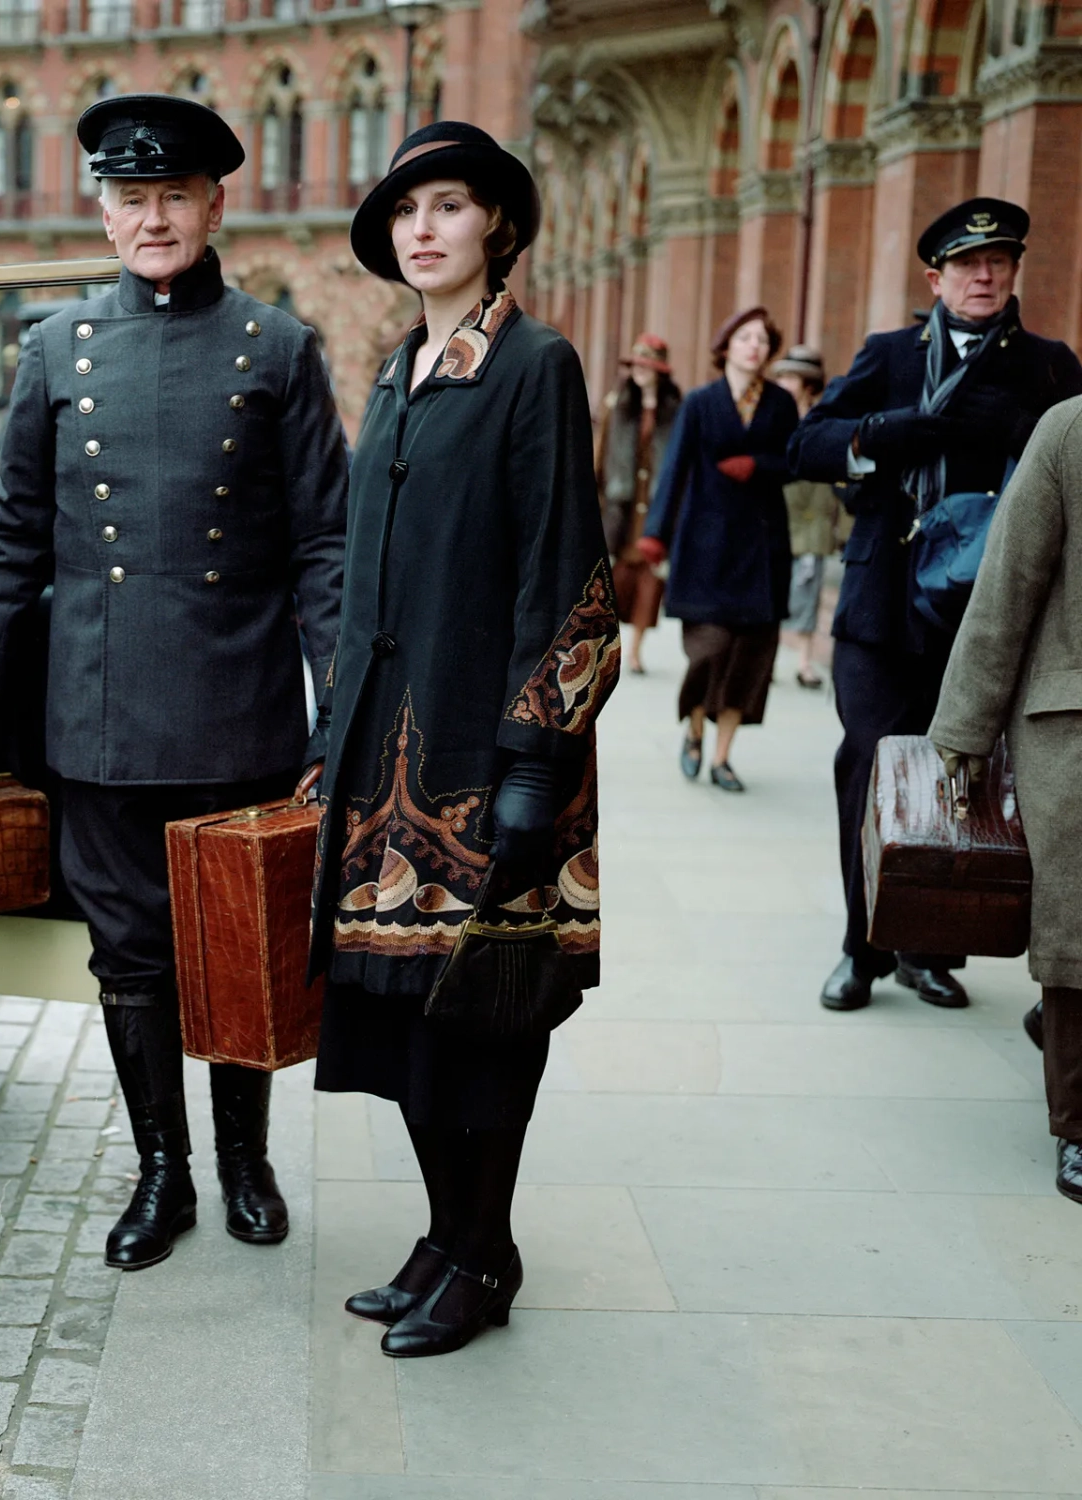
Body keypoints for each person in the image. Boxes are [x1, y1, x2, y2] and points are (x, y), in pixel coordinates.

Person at [0, 95, 349, 1269]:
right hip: (100, 715)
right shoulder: (54, 350)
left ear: (217, 206)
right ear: (102, 211)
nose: (152, 217)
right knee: (130, 953)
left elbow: (325, 543)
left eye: (175, 198)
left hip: (239, 707)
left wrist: (338, 705)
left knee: (239, 939)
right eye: (132, 199)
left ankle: (245, 1164)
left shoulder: (278, 350)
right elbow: (14, 534)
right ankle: (161, 1169)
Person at [308, 122, 617, 1358]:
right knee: (401, 1018)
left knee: (485, 1015)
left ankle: (484, 1259)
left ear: (495, 224)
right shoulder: (395, 370)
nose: (421, 227)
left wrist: (536, 760)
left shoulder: (534, 364)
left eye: (446, 205)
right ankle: (449, 1240)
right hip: (381, 760)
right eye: (404, 211)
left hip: (485, 765)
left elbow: (566, 567)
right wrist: (331, 736)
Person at [787, 197, 1082, 1012]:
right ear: (936, 277)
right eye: (966, 264)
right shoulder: (888, 355)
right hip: (885, 603)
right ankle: (862, 947)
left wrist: (1022, 429)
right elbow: (803, 445)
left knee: (968, 777)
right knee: (870, 766)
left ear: (1015, 271)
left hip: (988, 615)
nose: (984, 275)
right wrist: (883, 431)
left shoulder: (1051, 366)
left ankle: (931, 949)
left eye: (999, 262)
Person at [929, 397, 1082, 1203]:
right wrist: (963, 731)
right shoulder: (1066, 429)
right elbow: (1006, 586)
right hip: (1076, 724)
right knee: (1079, 936)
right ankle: (1078, 1124)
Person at [637, 307, 796, 792]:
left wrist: (760, 464)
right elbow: (676, 467)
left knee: (750, 658)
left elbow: (796, 459)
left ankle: (723, 757)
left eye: (763, 340)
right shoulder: (701, 402)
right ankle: (695, 725)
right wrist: (656, 532)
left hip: (762, 547)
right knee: (710, 650)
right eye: (745, 337)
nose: (755, 346)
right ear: (725, 346)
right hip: (705, 545)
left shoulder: (780, 404)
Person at [595, 333, 681, 675]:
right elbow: (601, 454)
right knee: (617, 576)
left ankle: (635, 650)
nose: (640, 372)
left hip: (656, 503)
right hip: (623, 505)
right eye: (636, 366)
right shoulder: (617, 405)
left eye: (647, 366)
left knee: (649, 579)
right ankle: (607, 645)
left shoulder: (675, 411)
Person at [771, 345, 842, 690]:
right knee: (773, 589)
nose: (783, 382)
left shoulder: (822, 418)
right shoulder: (773, 416)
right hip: (779, 513)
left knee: (808, 591)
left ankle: (804, 661)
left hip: (813, 517)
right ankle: (767, 659)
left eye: (791, 377)